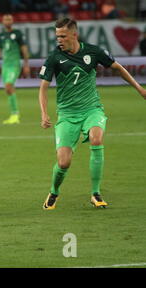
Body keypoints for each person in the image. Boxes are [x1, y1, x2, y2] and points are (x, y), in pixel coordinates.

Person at [39, 18, 146, 210]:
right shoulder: (55, 57)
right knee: (63, 163)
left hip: (91, 109)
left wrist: (140, 88)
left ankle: (95, 194)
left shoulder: (93, 52)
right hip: (67, 114)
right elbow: (43, 88)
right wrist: (44, 113)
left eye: (63, 36)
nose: (59, 40)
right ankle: (54, 191)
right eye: (57, 36)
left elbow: (118, 68)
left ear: (74, 35)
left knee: (96, 140)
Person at [0, 14, 30, 124]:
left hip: (14, 64)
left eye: (9, 19)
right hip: (5, 66)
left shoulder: (17, 34)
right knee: (8, 89)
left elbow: (24, 49)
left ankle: (15, 115)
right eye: (5, 19)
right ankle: (13, 115)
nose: (7, 21)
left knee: (8, 86)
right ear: (2, 21)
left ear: (12, 21)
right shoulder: (1, 35)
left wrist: (26, 64)